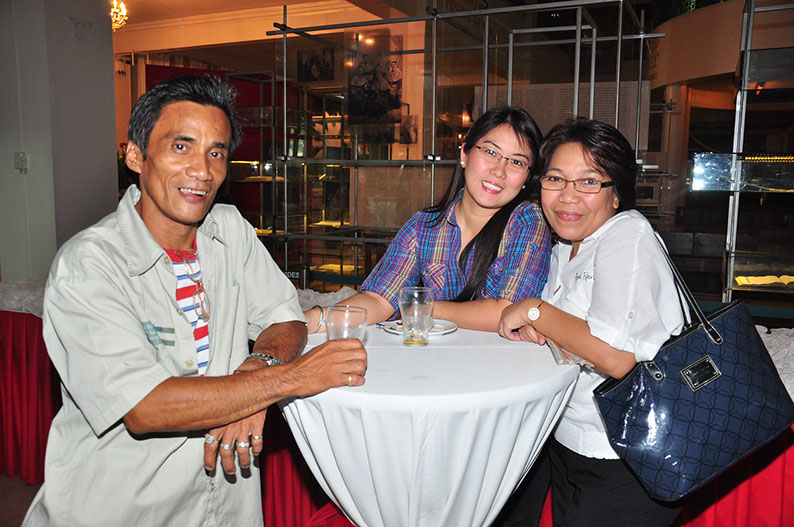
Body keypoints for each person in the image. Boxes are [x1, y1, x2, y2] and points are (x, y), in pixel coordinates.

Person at [23, 76, 367, 527]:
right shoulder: (89, 264)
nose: (203, 171)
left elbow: (285, 319)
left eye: (216, 153)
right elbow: (146, 406)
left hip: (227, 506)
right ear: (135, 156)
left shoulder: (230, 230)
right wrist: (288, 380)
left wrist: (254, 374)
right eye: (181, 146)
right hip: (122, 509)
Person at [498, 117, 687, 526]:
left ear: (616, 194)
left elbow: (616, 358)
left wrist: (535, 311)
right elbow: (573, 332)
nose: (568, 197)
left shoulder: (627, 236)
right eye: (555, 179)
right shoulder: (564, 249)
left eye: (589, 181)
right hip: (569, 441)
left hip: (625, 456)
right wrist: (543, 328)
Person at [304, 105, 551, 334]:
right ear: (464, 154)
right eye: (490, 152)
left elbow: (508, 312)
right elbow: (379, 299)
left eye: (517, 162)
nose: (499, 171)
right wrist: (307, 322)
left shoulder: (527, 222)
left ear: (527, 178)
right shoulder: (424, 226)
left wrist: (423, 306)